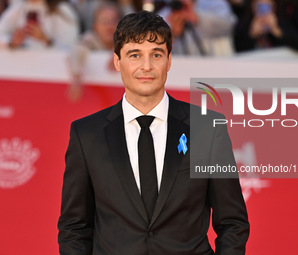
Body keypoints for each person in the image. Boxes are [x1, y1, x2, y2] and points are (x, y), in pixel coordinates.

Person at [58, 11, 249, 255]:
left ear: (169, 60)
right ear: (117, 61)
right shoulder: (86, 134)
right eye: (134, 55)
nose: (146, 66)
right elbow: (74, 227)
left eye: (156, 54)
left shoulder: (207, 128)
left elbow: (232, 222)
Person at [67, 2, 123, 102]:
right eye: (104, 22)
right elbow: (78, 50)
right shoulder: (91, 38)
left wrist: (118, 51)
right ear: (95, 26)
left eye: (113, 21)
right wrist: (76, 77)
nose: (109, 26)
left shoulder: (127, 39)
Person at [157, 0, 237, 56]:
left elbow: (228, 26)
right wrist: (173, 34)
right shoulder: (166, 14)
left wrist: (196, 17)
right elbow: (158, 48)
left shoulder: (214, 3)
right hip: (184, 70)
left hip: (218, 65)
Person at [233, 0, 298, 53]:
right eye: (260, 7)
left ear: (274, 7)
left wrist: (277, 30)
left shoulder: (281, 21)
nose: (264, 11)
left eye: (267, 7)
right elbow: (237, 49)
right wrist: (252, 34)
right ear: (252, 6)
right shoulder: (245, 23)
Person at [0, 0, 78, 49]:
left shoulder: (62, 10)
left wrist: (46, 39)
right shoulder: (18, 7)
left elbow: (70, 47)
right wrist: (12, 42)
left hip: (51, 70)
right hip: (21, 67)